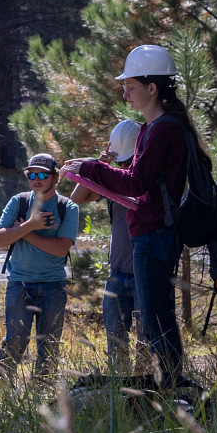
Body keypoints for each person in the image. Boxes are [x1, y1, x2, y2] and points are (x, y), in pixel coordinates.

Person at [66, 45, 205, 390]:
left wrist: (91, 167)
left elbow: (136, 182)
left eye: (130, 86)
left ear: (152, 87)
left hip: (156, 235)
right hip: (152, 234)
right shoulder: (153, 129)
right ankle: (166, 385)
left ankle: (170, 386)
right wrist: (95, 170)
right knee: (157, 317)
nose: (124, 93)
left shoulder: (162, 130)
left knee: (157, 319)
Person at [0, 154, 81, 377]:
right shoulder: (18, 202)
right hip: (19, 283)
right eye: (31, 174)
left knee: (49, 346)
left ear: (55, 177)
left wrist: (25, 232)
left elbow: (61, 249)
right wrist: (32, 224)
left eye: (42, 174)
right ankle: (0, 388)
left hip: (53, 286)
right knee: (14, 342)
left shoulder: (67, 207)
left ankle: (44, 393)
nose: (36, 179)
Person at [69, 120, 145, 372]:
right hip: (117, 274)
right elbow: (77, 198)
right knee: (116, 343)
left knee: (147, 343)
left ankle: (148, 391)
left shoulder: (148, 179)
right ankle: (121, 388)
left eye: (127, 161)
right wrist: (100, 165)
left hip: (145, 274)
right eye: (120, 162)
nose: (124, 167)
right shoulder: (114, 178)